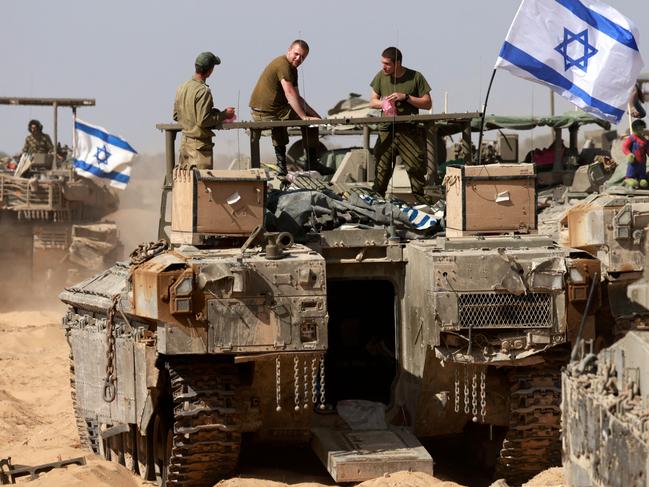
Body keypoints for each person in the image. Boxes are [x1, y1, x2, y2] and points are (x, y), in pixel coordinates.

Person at [249, 40, 333, 176]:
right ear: (289, 50)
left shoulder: (293, 69)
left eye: (303, 57)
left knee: (311, 121)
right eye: (296, 54)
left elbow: (298, 98)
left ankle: (292, 165)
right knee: (304, 123)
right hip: (266, 112)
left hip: (276, 110)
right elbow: (289, 93)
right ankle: (304, 164)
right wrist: (304, 117)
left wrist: (317, 117)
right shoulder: (283, 65)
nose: (299, 58)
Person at [369, 47, 432, 203]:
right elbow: (372, 101)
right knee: (382, 169)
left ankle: (421, 202)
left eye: (387, 64)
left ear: (397, 63)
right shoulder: (381, 77)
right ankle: (377, 202)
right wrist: (383, 104)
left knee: (415, 167)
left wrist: (406, 97)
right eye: (382, 63)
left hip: (409, 130)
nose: (384, 67)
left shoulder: (416, 77)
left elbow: (427, 103)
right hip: (387, 130)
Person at [173, 51, 235, 169]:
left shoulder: (182, 87)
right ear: (210, 71)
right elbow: (203, 121)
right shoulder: (203, 91)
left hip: (185, 146)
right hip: (199, 149)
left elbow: (176, 115)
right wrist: (224, 115)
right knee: (202, 185)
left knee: (186, 185)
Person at [622, 119, 648, 188]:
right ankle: (628, 179)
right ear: (634, 129)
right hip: (633, 162)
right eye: (639, 129)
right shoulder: (632, 138)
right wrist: (629, 154)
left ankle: (641, 179)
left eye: (642, 129)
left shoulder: (645, 140)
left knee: (643, 181)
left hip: (642, 163)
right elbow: (625, 147)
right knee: (631, 173)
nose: (641, 131)